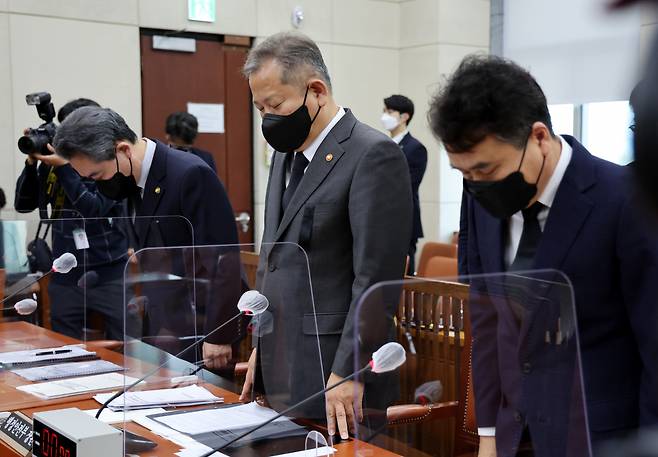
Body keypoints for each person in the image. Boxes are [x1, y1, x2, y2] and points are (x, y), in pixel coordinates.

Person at [428, 55, 658, 456]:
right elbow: (484, 321)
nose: (476, 184)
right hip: (514, 433)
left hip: (599, 437)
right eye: (463, 173)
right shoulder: (479, 197)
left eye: (486, 168)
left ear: (538, 137)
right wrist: (487, 433)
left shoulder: (624, 199)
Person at [239, 32, 412, 441]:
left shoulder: (373, 154)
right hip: (281, 358)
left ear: (315, 91)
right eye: (260, 108)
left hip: (338, 368)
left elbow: (376, 280)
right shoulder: (286, 153)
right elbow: (276, 256)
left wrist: (349, 369)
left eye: (275, 105)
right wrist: (261, 347)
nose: (268, 118)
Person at [52, 107, 241, 371]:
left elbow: (224, 260)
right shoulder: (131, 180)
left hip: (200, 328)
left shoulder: (190, 174)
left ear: (123, 150)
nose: (99, 185)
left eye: (96, 176)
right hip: (163, 324)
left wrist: (219, 335)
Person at [14, 98, 128, 340]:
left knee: (127, 342)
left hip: (109, 270)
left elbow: (93, 207)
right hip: (67, 272)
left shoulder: (109, 165)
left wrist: (65, 167)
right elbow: (24, 205)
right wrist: (32, 163)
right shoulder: (58, 162)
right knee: (65, 345)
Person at [381, 94, 427, 274]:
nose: (384, 115)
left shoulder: (415, 148)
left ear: (404, 117)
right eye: (384, 111)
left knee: (403, 276)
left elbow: (407, 186)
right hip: (381, 221)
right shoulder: (381, 144)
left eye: (390, 111)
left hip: (403, 220)